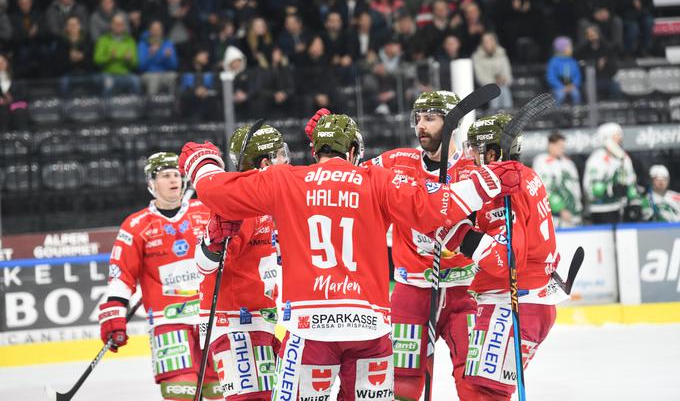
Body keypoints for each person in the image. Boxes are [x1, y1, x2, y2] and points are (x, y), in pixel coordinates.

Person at [179, 113, 522, 401]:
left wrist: (202, 162)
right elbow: (433, 208)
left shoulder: (286, 179)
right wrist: (487, 183)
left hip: (310, 329)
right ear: (355, 150)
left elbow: (215, 190)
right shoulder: (377, 180)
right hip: (369, 329)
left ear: (315, 151)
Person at [355, 91, 481, 400]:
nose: (420, 126)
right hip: (411, 291)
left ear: (452, 122)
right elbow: (349, 181)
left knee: (476, 381)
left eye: (430, 118)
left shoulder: (472, 168)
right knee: (402, 384)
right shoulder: (396, 162)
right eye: (418, 119)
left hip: (464, 291)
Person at [98, 152, 221, 400]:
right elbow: (121, 275)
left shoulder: (207, 211)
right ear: (151, 183)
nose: (173, 179)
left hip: (214, 316)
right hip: (168, 322)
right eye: (165, 175)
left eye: (176, 174)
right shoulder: (136, 225)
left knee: (224, 391)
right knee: (181, 394)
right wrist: (114, 314)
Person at [462, 113, 568, 400]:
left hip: (512, 302)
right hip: (527, 300)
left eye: (475, 149)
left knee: (482, 393)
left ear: (493, 152)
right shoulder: (525, 174)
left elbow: (505, 260)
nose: (470, 156)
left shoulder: (503, 186)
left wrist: (463, 236)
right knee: (480, 389)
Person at [196, 124, 290, 400]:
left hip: (261, 323)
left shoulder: (271, 201)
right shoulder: (241, 205)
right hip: (236, 324)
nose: (288, 161)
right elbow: (203, 266)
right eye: (281, 155)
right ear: (265, 162)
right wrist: (212, 242)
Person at [583, 122, 641, 224]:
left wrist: (634, 201)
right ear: (607, 138)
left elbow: (631, 181)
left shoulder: (624, 157)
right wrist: (611, 190)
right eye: (616, 135)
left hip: (622, 208)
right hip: (601, 210)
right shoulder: (597, 159)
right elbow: (590, 188)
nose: (620, 139)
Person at [532, 132, 583, 227]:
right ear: (550, 145)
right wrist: (560, 209)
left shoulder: (569, 163)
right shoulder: (542, 162)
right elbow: (544, 188)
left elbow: (575, 187)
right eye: (559, 146)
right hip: (555, 215)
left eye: (563, 146)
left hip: (573, 213)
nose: (562, 149)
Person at [471, 32, 513, 111]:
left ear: (495, 42)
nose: (488, 43)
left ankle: (508, 115)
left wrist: (504, 80)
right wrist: (494, 82)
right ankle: (494, 116)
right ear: (482, 43)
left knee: (504, 90)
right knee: (495, 92)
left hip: (502, 86)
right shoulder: (477, 56)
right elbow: (480, 78)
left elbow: (508, 75)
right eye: (485, 41)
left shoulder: (502, 54)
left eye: (490, 40)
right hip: (485, 88)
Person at [546, 36, 582, 106]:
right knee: (560, 95)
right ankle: (557, 113)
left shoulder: (573, 61)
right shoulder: (554, 61)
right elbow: (551, 77)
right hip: (558, 87)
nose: (571, 49)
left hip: (572, 86)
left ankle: (576, 112)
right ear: (561, 49)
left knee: (576, 94)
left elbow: (578, 76)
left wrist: (574, 85)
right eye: (569, 47)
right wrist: (560, 87)